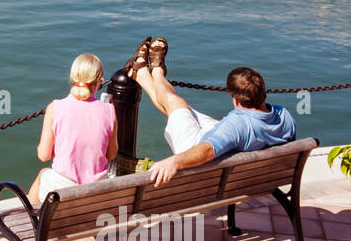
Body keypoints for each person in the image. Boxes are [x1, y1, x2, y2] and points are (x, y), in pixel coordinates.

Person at [124, 36, 296, 187]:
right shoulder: (284, 115)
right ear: (263, 93)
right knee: (185, 109)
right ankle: (142, 72)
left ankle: (154, 71)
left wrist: (174, 161)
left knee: (172, 101)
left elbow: (206, 150)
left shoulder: (237, 126)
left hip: (196, 150)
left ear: (234, 99)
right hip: (248, 170)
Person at [29, 53, 118, 202]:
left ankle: (27, 222)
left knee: (43, 174)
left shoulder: (55, 108)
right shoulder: (109, 110)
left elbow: (43, 155)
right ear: (98, 82)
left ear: (72, 78)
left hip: (62, 191)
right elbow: (111, 155)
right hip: (95, 191)